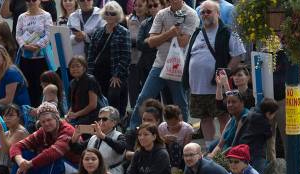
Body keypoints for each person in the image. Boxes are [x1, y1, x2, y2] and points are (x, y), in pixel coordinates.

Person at [128, 0, 198, 130]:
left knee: (180, 103)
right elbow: (151, 42)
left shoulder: (191, 14)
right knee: (143, 98)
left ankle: (182, 134)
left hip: (179, 65)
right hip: (159, 64)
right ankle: (132, 130)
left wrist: (161, 36)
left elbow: (183, 42)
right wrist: (170, 33)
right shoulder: (161, 13)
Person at [183, 0, 243, 143]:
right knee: (205, 118)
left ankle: (225, 147)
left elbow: (237, 56)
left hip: (218, 86)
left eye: (208, 11)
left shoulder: (228, 32)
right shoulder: (196, 33)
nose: (205, 14)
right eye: (202, 12)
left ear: (218, 13)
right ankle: (210, 147)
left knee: (223, 117)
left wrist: (225, 73)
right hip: (197, 87)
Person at [10, 104, 79, 174]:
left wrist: (29, 164)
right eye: (43, 122)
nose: (46, 124)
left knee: (53, 160)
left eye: (49, 120)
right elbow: (16, 146)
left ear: (57, 118)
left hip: (74, 169)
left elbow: (53, 153)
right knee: (24, 155)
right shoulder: (42, 131)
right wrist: (21, 162)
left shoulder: (68, 130)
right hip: (51, 167)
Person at [88, 1, 131, 116]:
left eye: (113, 13)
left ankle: (118, 125)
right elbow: (91, 54)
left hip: (115, 75)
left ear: (118, 15)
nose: (109, 16)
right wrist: (89, 75)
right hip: (98, 74)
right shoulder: (97, 32)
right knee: (99, 104)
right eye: (107, 13)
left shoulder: (124, 32)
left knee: (113, 102)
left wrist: (117, 75)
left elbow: (126, 56)